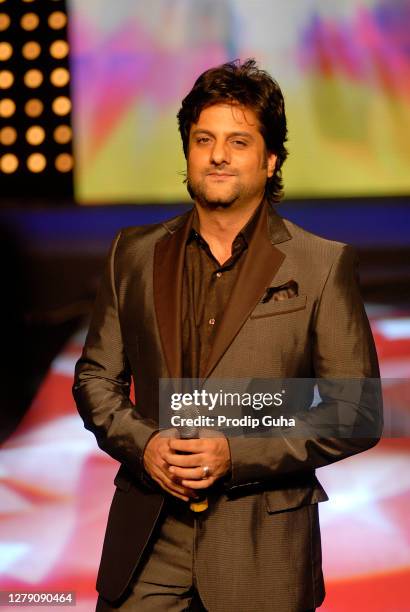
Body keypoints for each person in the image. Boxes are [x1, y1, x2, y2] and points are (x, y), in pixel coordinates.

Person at [73, 59, 382, 612]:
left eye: (238, 141)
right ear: (187, 152)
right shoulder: (134, 254)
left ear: (269, 160)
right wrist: (145, 444)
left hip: (261, 554)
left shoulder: (320, 265)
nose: (218, 155)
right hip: (148, 545)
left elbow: (353, 411)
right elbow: (96, 377)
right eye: (203, 139)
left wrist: (235, 453)